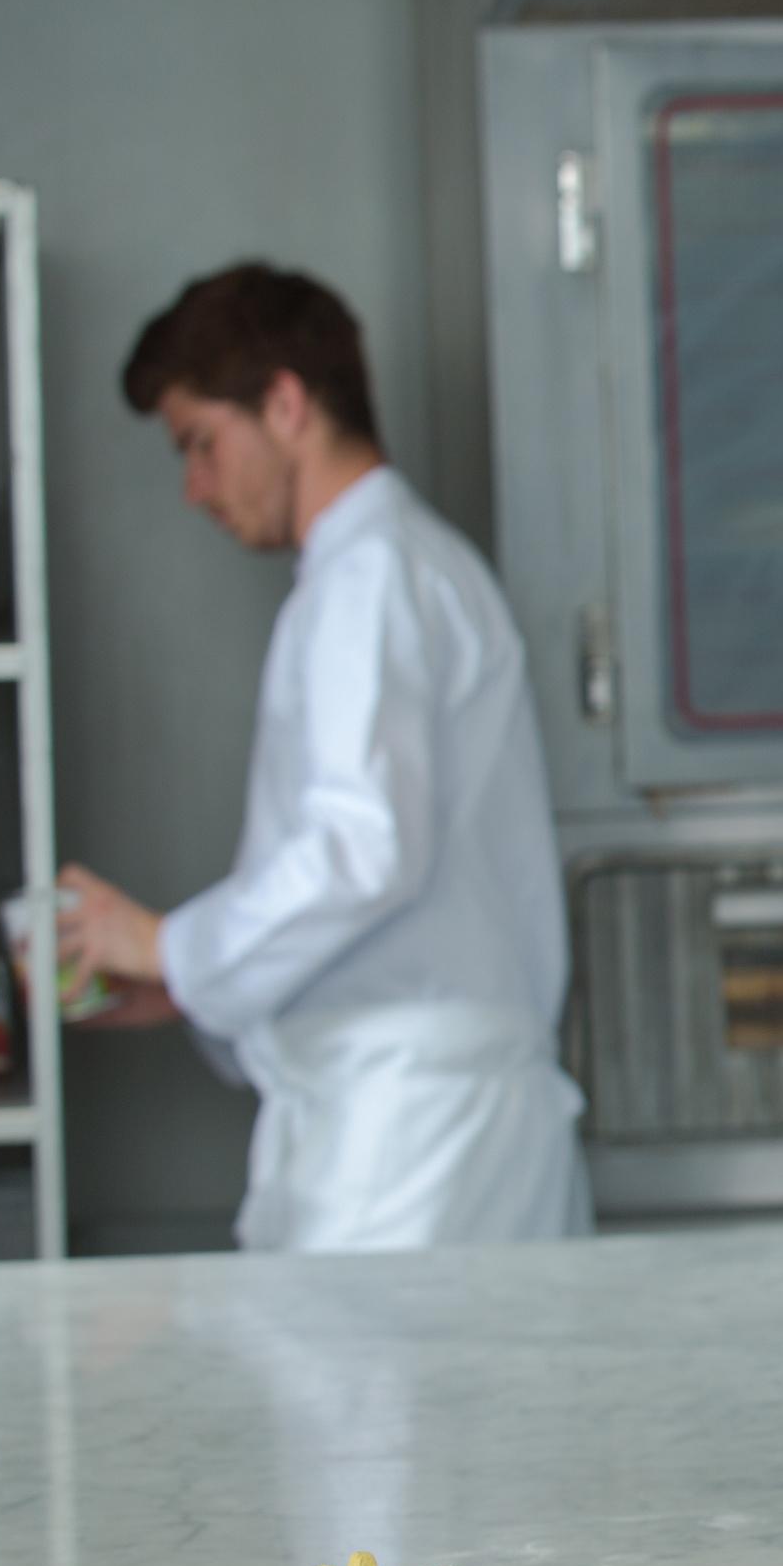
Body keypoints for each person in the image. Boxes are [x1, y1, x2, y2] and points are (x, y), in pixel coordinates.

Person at [57, 262, 590, 1253]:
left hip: (414, 1145)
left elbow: (362, 848)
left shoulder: (372, 577)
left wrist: (170, 946)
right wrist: (188, 987)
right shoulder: (395, 569)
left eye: (202, 445)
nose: (194, 489)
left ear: (287, 404)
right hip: (409, 1126)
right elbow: (393, 887)